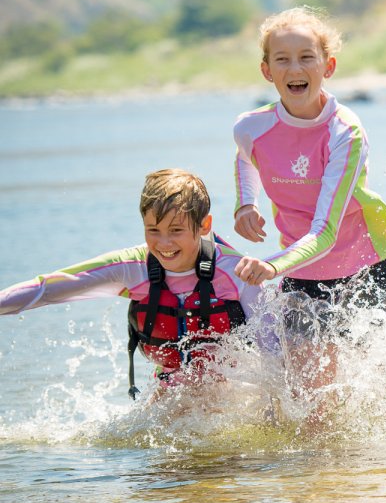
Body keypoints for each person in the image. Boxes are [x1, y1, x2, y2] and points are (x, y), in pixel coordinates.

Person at [231, 7, 386, 420]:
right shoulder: (250, 127)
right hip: (303, 282)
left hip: (363, 273)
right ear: (267, 71)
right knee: (314, 415)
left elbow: (325, 232)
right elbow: (244, 156)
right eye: (282, 59)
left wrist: (271, 266)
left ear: (327, 66)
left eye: (306, 57)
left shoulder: (345, 132)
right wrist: (246, 203)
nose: (295, 68)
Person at [0, 169, 263, 401]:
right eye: (153, 230)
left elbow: (273, 349)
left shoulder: (237, 271)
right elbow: (46, 288)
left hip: (234, 392)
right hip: (170, 391)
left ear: (204, 225)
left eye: (176, 230)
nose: (164, 243)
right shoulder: (132, 267)